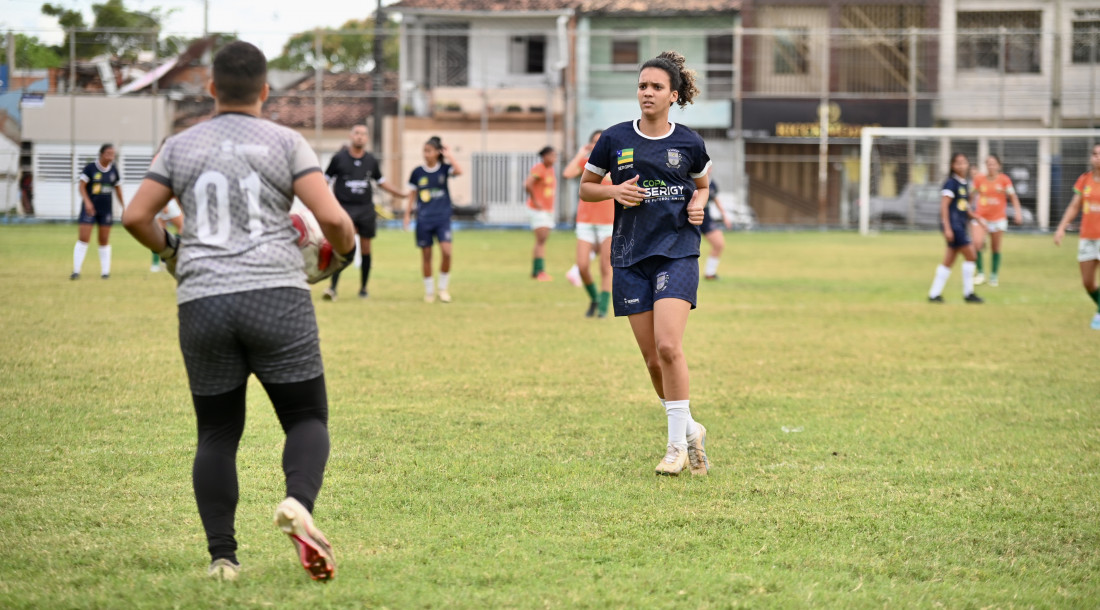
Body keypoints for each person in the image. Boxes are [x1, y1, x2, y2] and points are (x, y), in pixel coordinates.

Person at [122, 40, 356, 582]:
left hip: (203, 298)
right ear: (265, 91)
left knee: (217, 433)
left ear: (211, 89)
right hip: (276, 295)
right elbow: (332, 220)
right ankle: (297, 503)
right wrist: (342, 255)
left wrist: (171, 252)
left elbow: (136, 217)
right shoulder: (286, 141)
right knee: (306, 418)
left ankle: (223, 559)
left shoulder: (178, 145)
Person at [579, 50, 711, 477]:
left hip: (677, 250)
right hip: (630, 255)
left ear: (673, 95)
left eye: (656, 87)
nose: (647, 93)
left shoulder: (689, 142)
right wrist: (613, 192)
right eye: (642, 86)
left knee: (669, 346)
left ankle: (675, 448)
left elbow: (703, 183)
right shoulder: (615, 138)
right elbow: (586, 187)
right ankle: (690, 429)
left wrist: (699, 203)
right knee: (653, 360)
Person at [321, 124, 408, 301]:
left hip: (365, 209)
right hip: (345, 209)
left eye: (363, 134)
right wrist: (322, 202)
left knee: (366, 248)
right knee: (342, 247)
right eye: (357, 133)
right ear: (350, 136)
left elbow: (381, 181)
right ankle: (332, 288)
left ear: (367, 138)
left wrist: (401, 194)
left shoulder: (371, 160)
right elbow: (325, 180)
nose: (360, 136)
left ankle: (363, 289)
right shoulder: (339, 158)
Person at [404, 136, 462, 303]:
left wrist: (449, 156)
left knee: (447, 252)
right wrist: (407, 214)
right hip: (424, 220)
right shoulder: (417, 172)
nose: (426, 154)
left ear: (437, 152)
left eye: (429, 151)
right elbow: (412, 195)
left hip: (442, 218)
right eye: (424, 151)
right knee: (426, 256)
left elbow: (459, 171)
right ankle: (429, 292)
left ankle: (443, 289)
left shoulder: (444, 169)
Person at [562, 130, 613, 317]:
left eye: (601, 142)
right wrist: (581, 153)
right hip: (585, 221)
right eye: (595, 142)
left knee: (605, 267)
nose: (598, 145)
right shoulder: (587, 164)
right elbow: (567, 174)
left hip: (609, 222)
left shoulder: (615, 166)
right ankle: (594, 298)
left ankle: (603, 308)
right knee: (582, 266)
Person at [1053, 143, 1100, 330]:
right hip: (1087, 237)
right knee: (1087, 282)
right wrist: (1061, 228)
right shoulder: (1084, 180)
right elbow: (1074, 206)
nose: (1098, 157)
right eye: (1095, 154)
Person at [927, 153, 984, 304]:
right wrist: (947, 228)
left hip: (959, 225)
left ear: (968, 164)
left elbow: (963, 207)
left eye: (964, 162)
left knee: (949, 260)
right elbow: (944, 206)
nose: (961, 166)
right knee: (971, 256)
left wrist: (975, 217)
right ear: (952, 165)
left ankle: (934, 294)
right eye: (958, 163)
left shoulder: (964, 183)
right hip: (954, 226)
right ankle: (968, 293)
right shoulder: (951, 183)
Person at [71, 143, 124, 279]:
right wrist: (88, 202)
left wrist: (124, 207)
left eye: (113, 154)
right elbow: (81, 187)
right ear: (101, 154)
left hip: (106, 210)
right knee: (84, 238)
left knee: (104, 240)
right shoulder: (90, 168)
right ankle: (76, 271)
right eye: (108, 154)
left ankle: (105, 272)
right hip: (90, 210)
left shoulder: (114, 171)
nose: (111, 157)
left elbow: (118, 190)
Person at [971, 154, 1023, 287]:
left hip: (997, 219)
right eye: (988, 163)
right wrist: (968, 210)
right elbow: (971, 195)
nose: (991, 166)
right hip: (981, 217)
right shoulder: (979, 179)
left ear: (999, 165)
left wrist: (1018, 212)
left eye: (993, 163)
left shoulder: (1004, 180)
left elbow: (1013, 197)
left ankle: (994, 275)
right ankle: (980, 273)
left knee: (995, 247)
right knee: (976, 243)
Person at [526, 146, 557, 281]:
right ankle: (540, 271)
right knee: (541, 240)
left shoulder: (550, 169)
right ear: (545, 156)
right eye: (552, 155)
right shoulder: (539, 168)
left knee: (542, 240)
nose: (554, 158)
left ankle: (535, 271)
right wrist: (535, 200)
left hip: (547, 210)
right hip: (538, 210)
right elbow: (528, 184)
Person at [701, 179, 734, 280]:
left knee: (719, 244)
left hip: (706, 219)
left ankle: (710, 273)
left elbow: (715, 199)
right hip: (689, 218)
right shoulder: (690, 179)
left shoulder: (712, 184)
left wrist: (724, 216)